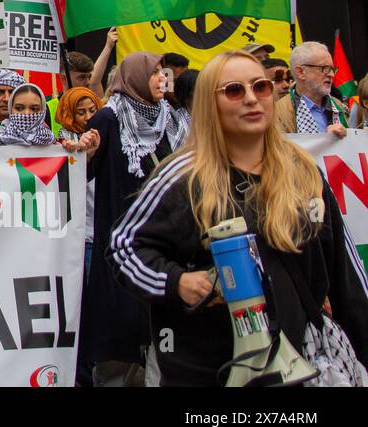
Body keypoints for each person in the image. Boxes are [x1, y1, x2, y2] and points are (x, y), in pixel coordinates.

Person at [109, 50, 368, 386]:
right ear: (208, 103)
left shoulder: (303, 171)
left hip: (300, 366)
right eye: (234, 90)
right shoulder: (181, 176)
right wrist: (177, 282)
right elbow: (123, 249)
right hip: (207, 371)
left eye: (260, 87)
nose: (251, 99)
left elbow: (346, 278)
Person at [79, 52, 190, 387]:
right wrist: (85, 153)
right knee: (123, 332)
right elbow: (82, 175)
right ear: (135, 77)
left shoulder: (171, 118)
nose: (162, 78)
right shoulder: (108, 119)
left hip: (168, 244)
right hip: (123, 245)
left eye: (163, 72)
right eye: (154, 72)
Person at [56, 86, 104, 288]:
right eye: (81, 112)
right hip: (81, 235)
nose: (88, 117)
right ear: (68, 113)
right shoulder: (60, 144)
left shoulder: (106, 136)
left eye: (93, 110)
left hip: (103, 229)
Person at [276, 41, 349, 137]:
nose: (331, 74)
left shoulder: (339, 107)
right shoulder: (277, 113)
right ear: (301, 72)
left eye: (332, 69)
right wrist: (325, 141)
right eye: (324, 68)